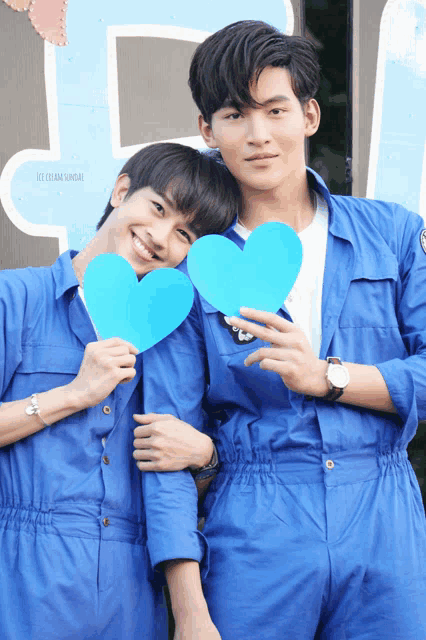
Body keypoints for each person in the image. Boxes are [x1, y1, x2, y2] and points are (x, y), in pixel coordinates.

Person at [137, 21, 426, 640]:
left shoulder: (394, 235)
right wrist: (189, 612)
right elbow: (163, 444)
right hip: (255, 523)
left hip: (383, 517)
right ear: (208, 131)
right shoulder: (192, 269)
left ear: (310, 115)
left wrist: (329, 377)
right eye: (236, 115)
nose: (260, 135)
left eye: (276, 110)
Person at [0, 142, 240, 640]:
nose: (159, 237)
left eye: (184, 234)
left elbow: (171, 482)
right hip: (23, 575)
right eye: (157, 209)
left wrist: (205, 455)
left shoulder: (172, 338)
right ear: (122, 189)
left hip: (131, 588)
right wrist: (72, 394)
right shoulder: (16, 298)